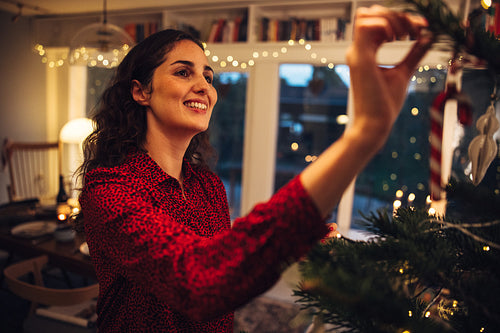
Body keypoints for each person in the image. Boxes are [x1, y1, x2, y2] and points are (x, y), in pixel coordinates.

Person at [77, 5, 433, 332]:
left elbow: (225, 263)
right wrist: (363, 134)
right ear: (141, 92)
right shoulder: (109, 189)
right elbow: (200, 283)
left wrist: (296, 243)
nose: (204, 86)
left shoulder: (208, 186)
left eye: (209, 76)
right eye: (183, 72)